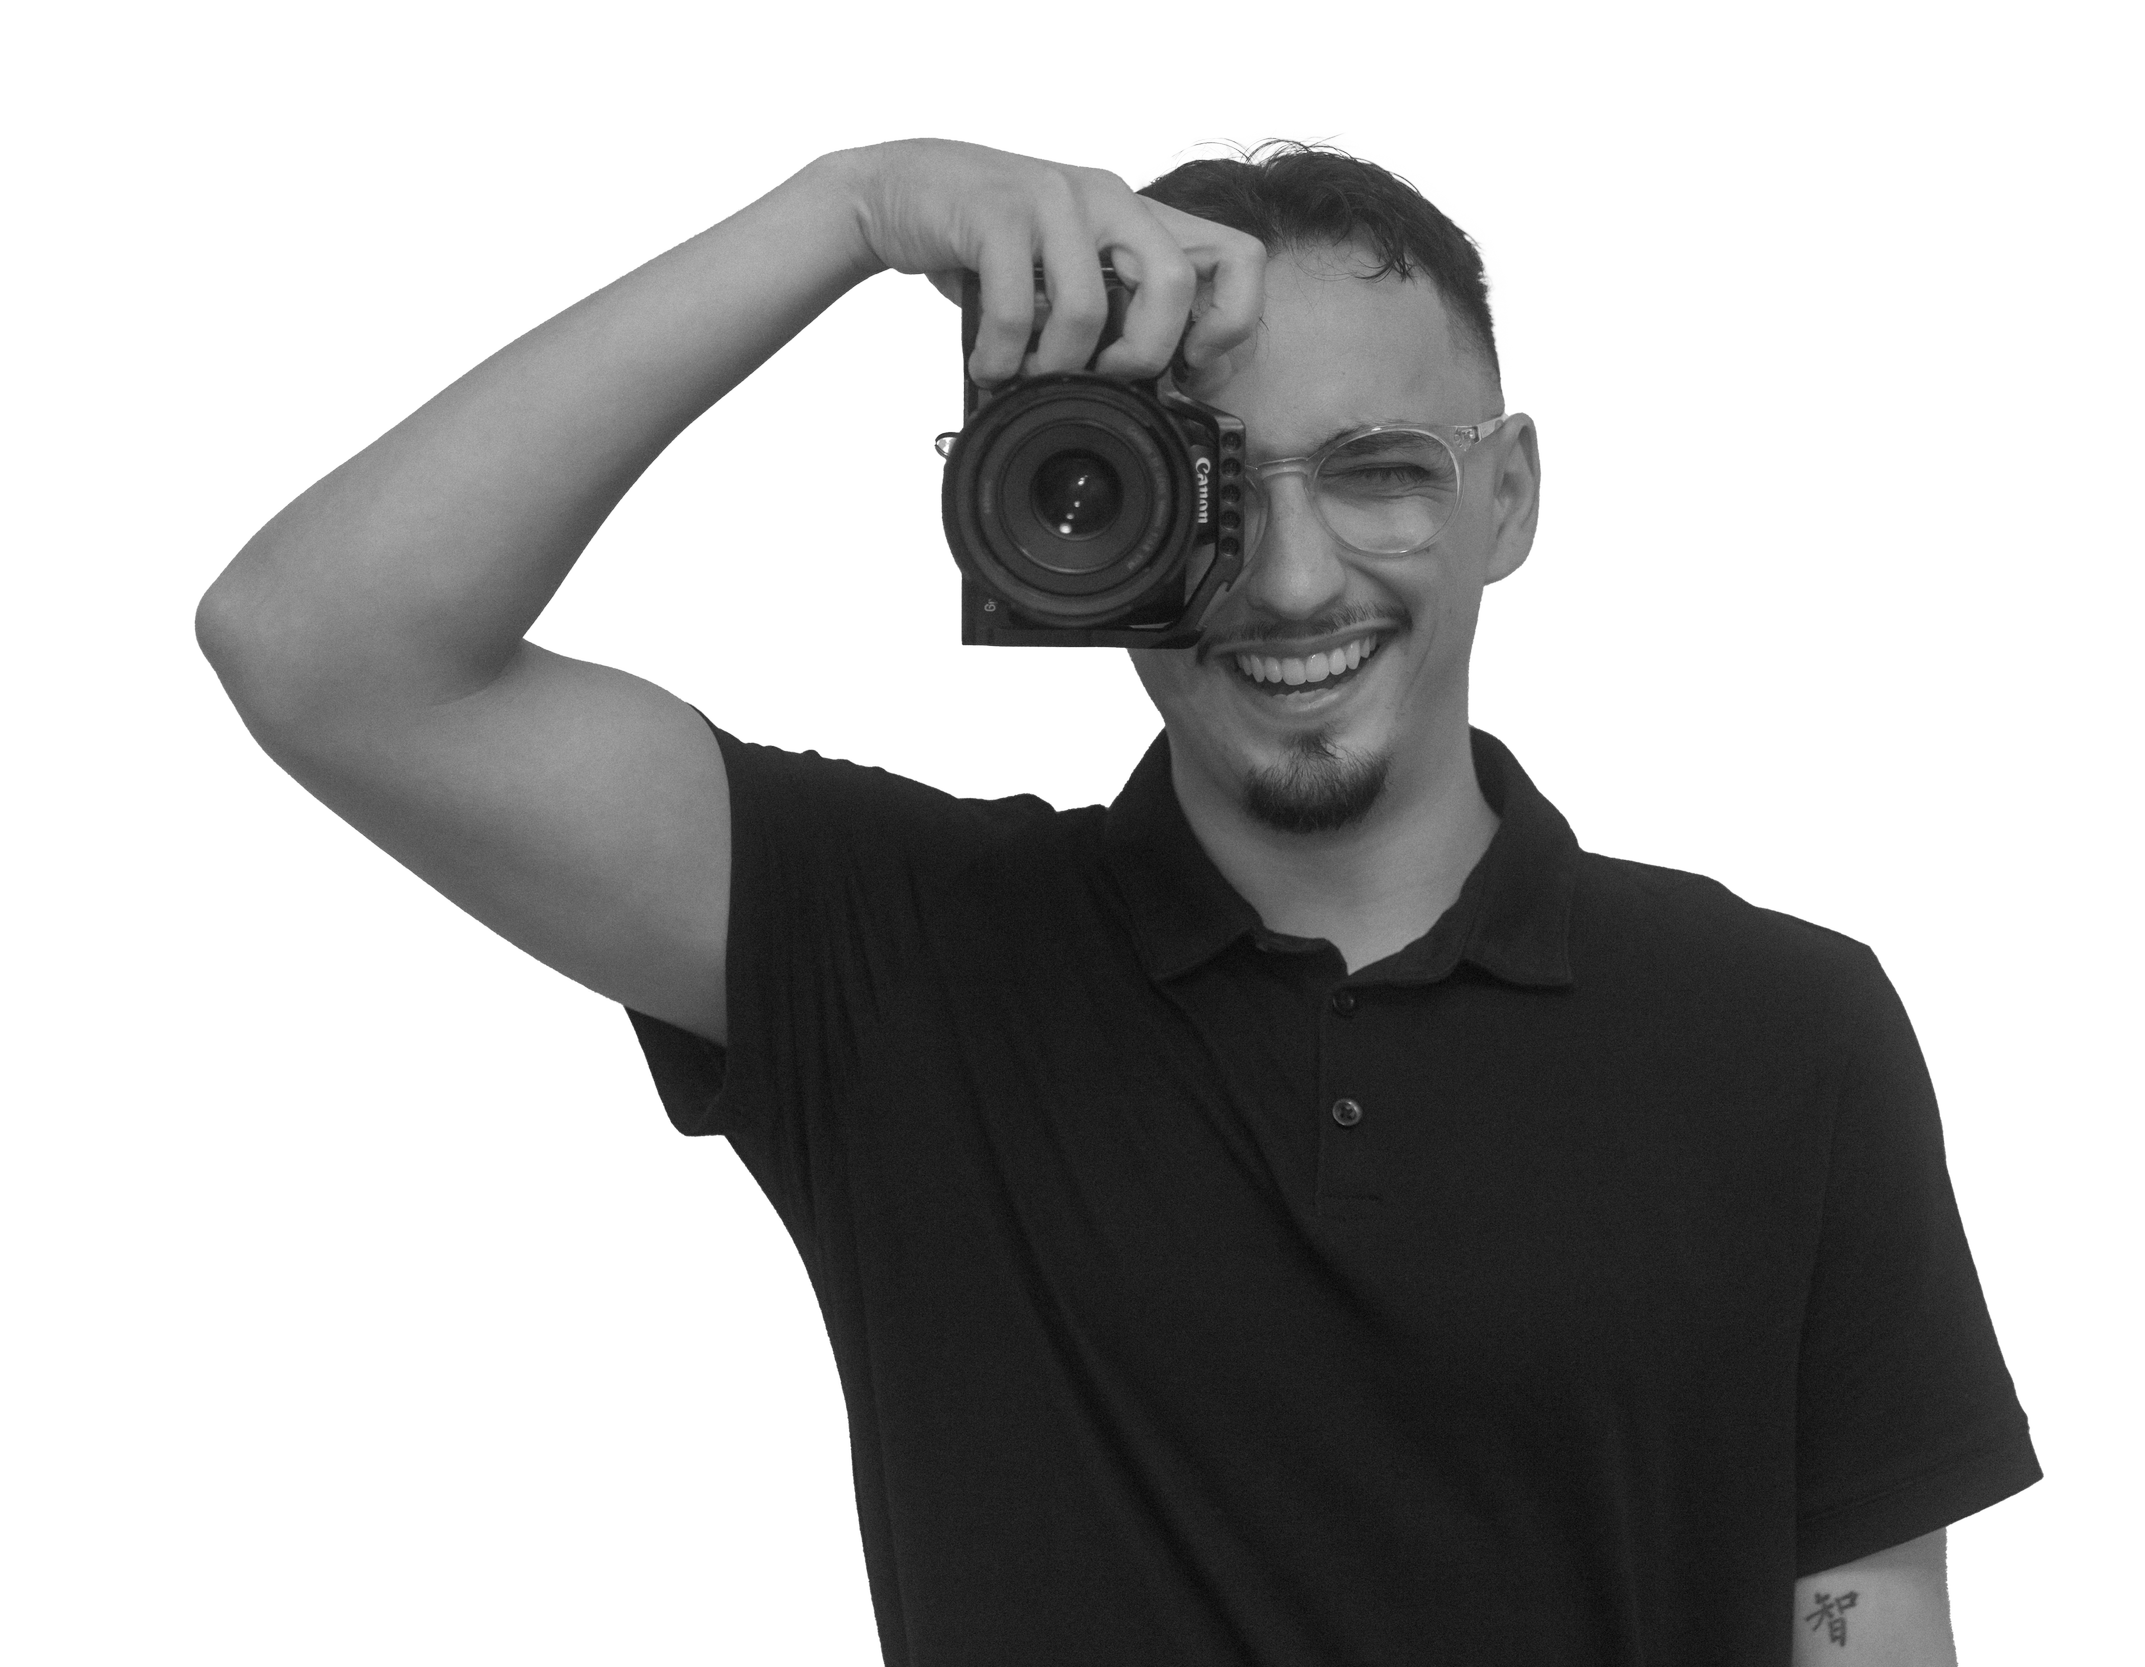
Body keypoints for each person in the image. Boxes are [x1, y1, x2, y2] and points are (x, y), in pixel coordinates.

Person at [195, 135, 2041, 1665]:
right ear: (1074, 520)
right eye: (1205, 485)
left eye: (1382, 471)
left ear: (1508, 500)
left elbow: (1866, 1616)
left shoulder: (1783, 1025)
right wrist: (843, 207)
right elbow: (314, 646)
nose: (1296, 579)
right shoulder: (896, 953)